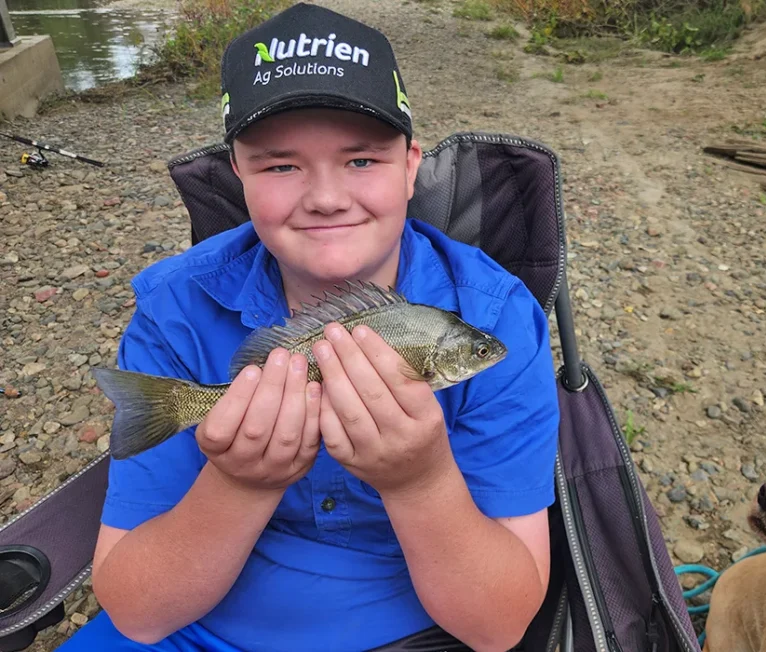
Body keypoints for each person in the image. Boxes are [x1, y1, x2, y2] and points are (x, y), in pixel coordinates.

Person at [56, 3, 560, 651]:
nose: (325, 196)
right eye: (280, 165)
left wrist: (420, 479)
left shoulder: (494, 317)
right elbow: (139, 613)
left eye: (361, 161)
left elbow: (497, 628)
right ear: (237, 172)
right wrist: (240, 481)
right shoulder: (174, 312)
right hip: (192, 621)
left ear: (411, 165)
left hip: (414, 629)